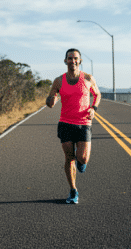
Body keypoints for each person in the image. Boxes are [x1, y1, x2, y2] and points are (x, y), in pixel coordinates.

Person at [46, 48, 101, 204]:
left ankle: (81, 161)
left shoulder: (89, 78)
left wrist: (93, 108)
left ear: (80, 61)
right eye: (69, 58)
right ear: (65, 61)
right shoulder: (58, 80)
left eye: (75, 58)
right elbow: (52, 98)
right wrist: (50, 101)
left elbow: (97, 95)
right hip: (65, 123)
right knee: (69, 158)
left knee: (82, 158)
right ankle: (73, 190)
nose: (73, 61)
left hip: (84, 124)